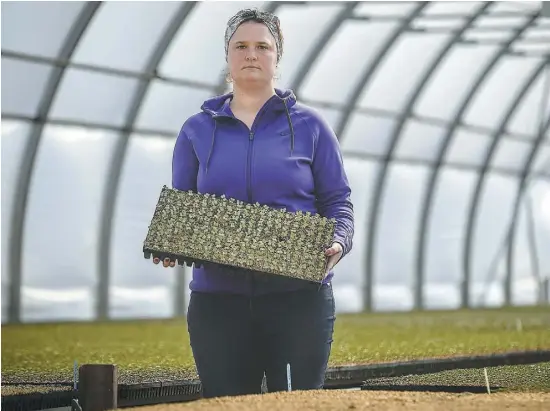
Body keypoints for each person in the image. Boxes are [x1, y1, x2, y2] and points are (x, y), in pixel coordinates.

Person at [153, 8, 354, 398]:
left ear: (277, 58)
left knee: (298, 404)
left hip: (299, 300)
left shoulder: (311, 126)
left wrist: (339, 241)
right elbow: (185, 208)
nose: (251, 54)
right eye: (241, 45)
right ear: (227, 56)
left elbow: (338, 200)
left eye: (262, 46)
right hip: (218, 303)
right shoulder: (196, 130)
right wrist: (172, 242)